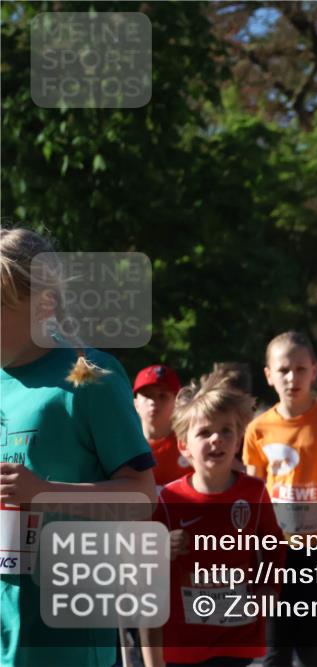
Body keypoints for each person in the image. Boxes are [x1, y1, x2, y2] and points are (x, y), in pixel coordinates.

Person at [0, 226, 156, 666]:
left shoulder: (89, 374)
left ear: (43, 305)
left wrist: (43, 493)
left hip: (66, 642)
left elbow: (142, 496)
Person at [140, 372, 284, 667]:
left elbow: (273, 544)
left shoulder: (254, 492)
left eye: (226, 430)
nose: (217, 438)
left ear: (239, 439)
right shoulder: (168, 500)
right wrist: (162, 546)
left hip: (237, 634)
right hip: (185, 638)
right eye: (204, 433)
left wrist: (269, 587)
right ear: (184, 445)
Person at [243, 331, 317, 667]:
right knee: (274, 648)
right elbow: (254, 494)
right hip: (273, 552)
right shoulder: (258, 429)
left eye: (300, 369)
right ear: (269, 375)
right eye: (283, 370)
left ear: (314, 370)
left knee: (316, 649)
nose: (292, 378)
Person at [134, 364, 189, 489]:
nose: (153, 402)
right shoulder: (124, 447)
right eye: (147, 395)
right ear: (135, 403)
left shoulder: (190, 443)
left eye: (162, 396)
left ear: (177, 402)